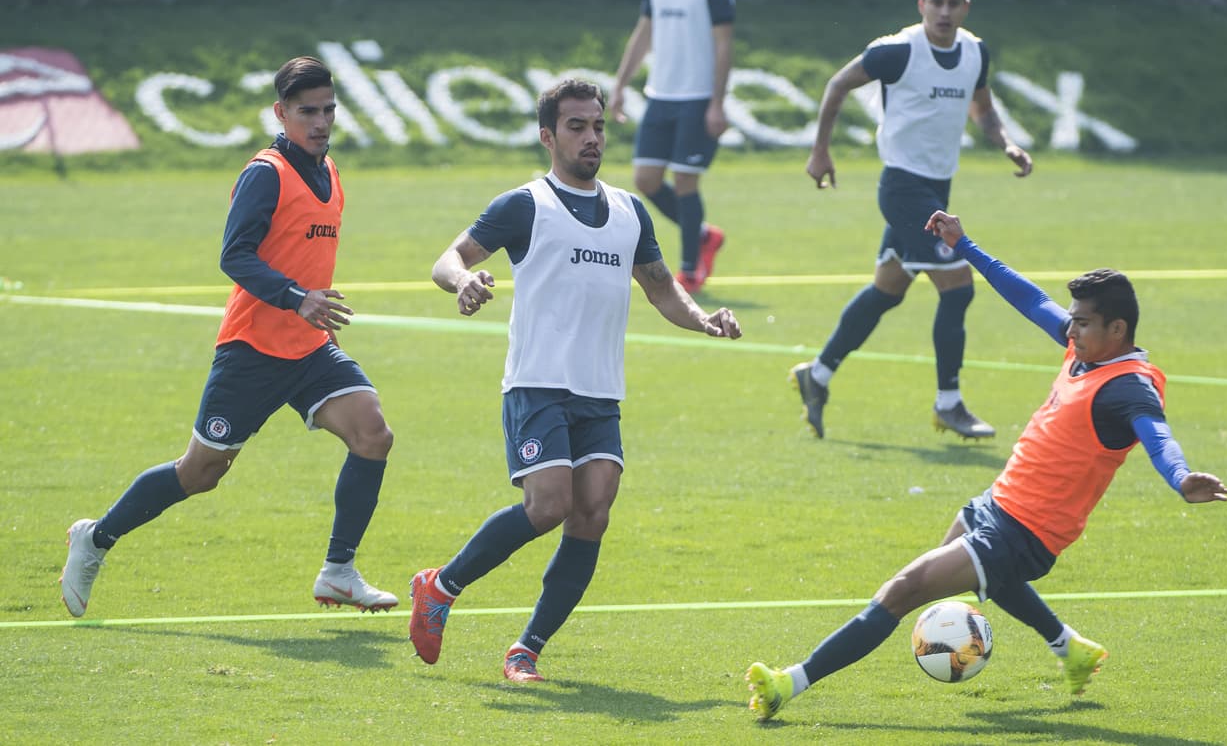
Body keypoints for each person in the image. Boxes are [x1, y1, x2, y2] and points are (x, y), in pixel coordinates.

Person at [746, 210, 1227, 720]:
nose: (1071, 329)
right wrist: (966, 246)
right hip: (1000, 501)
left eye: (1082, 322)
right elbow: (1028, 297)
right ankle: (1071, 648)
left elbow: (1158, 437)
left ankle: (787, 683)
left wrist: (1180, 477)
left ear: (1118, 328)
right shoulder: (1085, 349)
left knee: (904, 590)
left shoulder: (1128, 387)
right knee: (967, 575)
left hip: (1026, 532)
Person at [410, 79, 741, 683]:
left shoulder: (628, 211)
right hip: (537, 381)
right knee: (548, 505)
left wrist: (704, 320)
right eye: (577, 127)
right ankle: (440, 586)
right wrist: (463, 282)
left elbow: (662, 287)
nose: (592, 138)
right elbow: (448, 258)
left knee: (592, 513)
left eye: (598, 126)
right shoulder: (523, 205)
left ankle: (526, 650)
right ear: (548, 136)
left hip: (599, 389)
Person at [59, 57, 398, 617]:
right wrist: (299, 298)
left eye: (328, 110)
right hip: (253, 350)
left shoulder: (330, 170)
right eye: (306, 111)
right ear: (280, 112)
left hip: (310, 348)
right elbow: (233, 255)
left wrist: (308, 310)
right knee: (202, 472)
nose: (320, 122)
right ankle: (95, 538)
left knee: (373, 434)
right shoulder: (266, 173)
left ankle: (339, 571)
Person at [790, 0, 1034, 440]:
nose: (944, 11)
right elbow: (837, 85)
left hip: (937, 189)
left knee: (887, 290)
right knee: (959, 287)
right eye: (935, 2)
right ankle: (949, 403)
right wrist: (820, 150)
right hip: (904, 189)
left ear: (966, 7)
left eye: (953, 3)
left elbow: (982, 107)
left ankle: (816, 375)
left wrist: (1005, 142)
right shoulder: (897, 51)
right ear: (921, 4)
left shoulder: (974, 52)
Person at [610, 0, 734, 295]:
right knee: (645, 180)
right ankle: (702, 236)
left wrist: (717, 102)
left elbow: (724, 43)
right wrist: (619, 85)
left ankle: (689, 269)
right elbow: (644, 30)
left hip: (697, 98)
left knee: (684, 181)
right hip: (660, 95)